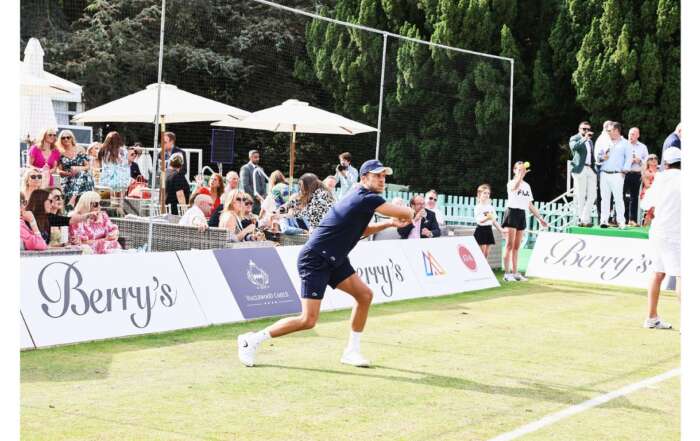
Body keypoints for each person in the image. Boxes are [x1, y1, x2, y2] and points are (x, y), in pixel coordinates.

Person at [237, 159, 413, 368]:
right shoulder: (366, 198)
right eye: (377, 175)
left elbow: (360, 232)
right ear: (364, 178)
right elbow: (407, 213)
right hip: (315, 259)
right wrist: (404, 214)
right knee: (308, 320)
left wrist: (389, 223)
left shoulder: (362, 199)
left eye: (384, 176)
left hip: (334, 258)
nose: (382, 179)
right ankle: (251, 341)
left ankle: (351, 351)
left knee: (364, 295)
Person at [639, 147, 681, 329]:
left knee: (657, 273)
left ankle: (651, 317)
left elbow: (645, 204)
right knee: (682, 276)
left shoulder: (660, 178)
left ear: (665, 163)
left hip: (658, 232)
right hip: (676, 233)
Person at [502, 161, 548, 282]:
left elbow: (529, 205)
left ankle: (515, 273)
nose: (521, 171)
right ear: (514, 170)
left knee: (517, 246)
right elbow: (514, 188)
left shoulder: (527, 186)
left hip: (521, 214)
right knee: (509, 245)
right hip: (512, 213)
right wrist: (520, 176)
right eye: (519, 169)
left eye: (523, 169)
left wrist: (540, 218)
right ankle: (507, 274)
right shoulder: (511, 182)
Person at [25, 189, 93, 245]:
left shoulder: (48, 217)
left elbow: (68, 220)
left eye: (62, 196)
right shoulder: (26, 218)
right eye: (50, 201)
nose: (51, 204)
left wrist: (89, 215)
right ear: (41, 201)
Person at [597, 122, 633, 229]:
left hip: (617, 174)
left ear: (616, 130)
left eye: (610, 130)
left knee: (618, 198)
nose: (608, 132)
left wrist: (625, 170)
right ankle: (604, 220)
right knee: (604, 199)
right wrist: (602, 157)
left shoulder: (626, 143)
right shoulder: (605, 142)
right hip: (604, 173)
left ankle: (621, 222)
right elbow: (598, 156)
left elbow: (629, 158)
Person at [568, 121, 597, 227]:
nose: (586, 131)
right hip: (580, 169)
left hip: (590, 168)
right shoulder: (574, 138)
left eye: (588, 129)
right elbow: (574, 147)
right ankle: (583, 220)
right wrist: (584, 138)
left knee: (593, 195)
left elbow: (592, 155)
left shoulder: (590, 142)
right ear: (579, 129)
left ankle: (584, 218)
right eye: (584, 129)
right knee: (581, 195)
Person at [58, 129, 94, 209]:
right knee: (81, 174)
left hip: (83, 177)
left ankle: (73, 199)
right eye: (63, 138)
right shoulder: (60, 152)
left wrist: (78, 168)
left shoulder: (80, 149)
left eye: (68, 137)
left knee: (81, 173)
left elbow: (87, 166)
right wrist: (69, 174)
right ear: (60, 140)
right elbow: (59, 170)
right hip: (68, 178)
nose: (66, 139)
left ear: (72, 138)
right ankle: (73, 200)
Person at [623, 127, 648, 226]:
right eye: (630, 134)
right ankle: (622, 219)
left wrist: (639, 160)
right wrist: (628, 160)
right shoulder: (623, 145)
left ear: (638, 135)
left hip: (636, 174)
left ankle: (632, 219)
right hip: (625, 174)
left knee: (634, 198)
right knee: (621, 196)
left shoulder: (643, 147)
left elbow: (647, 161)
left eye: (633, 134)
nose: (631, 136)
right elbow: (618, 159)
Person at [97, 131, 131, 202]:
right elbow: (126, 164)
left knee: (111, 197)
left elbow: (100, 164)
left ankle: (113, 208)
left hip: (107, 178)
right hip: (122, 179)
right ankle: (120, 208)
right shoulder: (123, 151)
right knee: (120, 197)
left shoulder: (103, 150)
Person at [473, 184, 504, 258]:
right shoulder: (478, 207)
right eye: (484, 193)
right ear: (479, 194)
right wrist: (488, 217)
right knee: (481, 255)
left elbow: (494, 221)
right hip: (481, 231)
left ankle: (484, 269)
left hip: (489, 230)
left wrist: (501, 230)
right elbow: (479, 221)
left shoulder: (490, 207)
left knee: (486, 254)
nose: (487, 195)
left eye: (488, 193)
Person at [240, 149, 268, 214]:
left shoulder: (261, 169)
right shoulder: (245, 168)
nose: (257, 159)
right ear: (250, 157)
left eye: (258, 157)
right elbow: (245, 185)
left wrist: (263, 195)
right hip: (251, 201)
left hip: (261, 201)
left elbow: (264, 184)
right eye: (255, 157)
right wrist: (255, 196)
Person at [640, 154, 659, 226]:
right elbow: (647, 185)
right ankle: (646, 227)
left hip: (657, 193)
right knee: (653, 209)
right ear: (647, 162)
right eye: (651, 159)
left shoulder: (660, 172)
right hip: (648, 194)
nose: (654, 160)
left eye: (655, 158)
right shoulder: (646, 172)